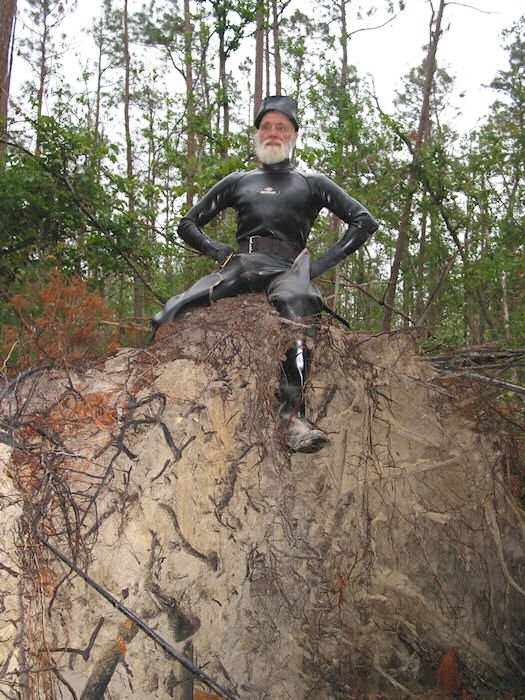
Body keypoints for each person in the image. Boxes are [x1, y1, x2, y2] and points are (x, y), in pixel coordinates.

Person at [152, 96, 378, 453]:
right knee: (170, 313)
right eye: (266, 127)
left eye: (281, 127)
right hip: (240, 266)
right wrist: (218, 251)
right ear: (257, 134)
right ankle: (157, 399)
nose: (273, 133)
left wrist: (316, 267)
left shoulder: (311, 181)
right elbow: (187, 224)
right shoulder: (238, 180)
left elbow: (364, 221)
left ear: (294, 135)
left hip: (287, 271)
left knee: (297, 305)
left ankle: (294, 419)